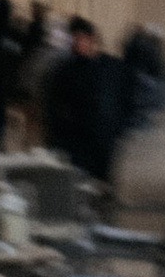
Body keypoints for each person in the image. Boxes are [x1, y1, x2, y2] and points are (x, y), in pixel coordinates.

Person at [41, 18, 121, 180]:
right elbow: (53, 105)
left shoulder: (112, 66)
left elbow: (121, 100)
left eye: (79, 38)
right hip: (76, 141)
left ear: (91, 39)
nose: (75, 43)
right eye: (73, 39)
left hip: (104, 142)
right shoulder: (65, 70)